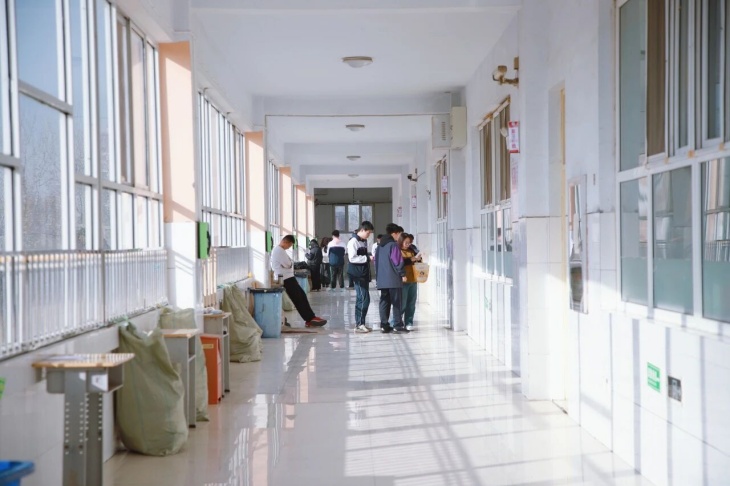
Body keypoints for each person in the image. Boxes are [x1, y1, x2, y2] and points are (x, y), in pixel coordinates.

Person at [271, 235, 328, 328]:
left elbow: (289, 263)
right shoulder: (279, 251)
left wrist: (290, 263)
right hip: (285, 278)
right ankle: (309, 319)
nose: (289, 247)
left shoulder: (280, 250)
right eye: (289, 245)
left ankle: (311, 317)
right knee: (299, 298)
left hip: (288, 277)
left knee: (301, 296)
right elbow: (288, 264)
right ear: (286, 242)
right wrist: (290, 263)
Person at [375, 223, 408, 334]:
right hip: (393, 279)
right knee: (397, 302)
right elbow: (397, 261)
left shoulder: (379, 246)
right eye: (400, 234)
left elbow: (376, 262)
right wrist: (403, 274)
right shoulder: (393, 245)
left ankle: (384, 325)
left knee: (384, 302)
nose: (400, 237)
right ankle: (397, 325)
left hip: (382, 279)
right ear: (395, 233)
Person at [347, 221, 375, 333]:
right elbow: (352, 258)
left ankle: (361, 323)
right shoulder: (353, 242)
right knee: (364, 299)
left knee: (362, 298)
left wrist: (368, 257)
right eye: (368, 233)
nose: (369, 235)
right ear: (362, 230)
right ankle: (359, 325)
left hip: (363, 273)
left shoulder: (362, 241)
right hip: (357, 274)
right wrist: (367, 258)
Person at [396, 233, 421, 331]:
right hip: (403, 280)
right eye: (406, 242)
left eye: (409, 242)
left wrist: (418, 259)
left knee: (411, 303)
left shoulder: (412, 250)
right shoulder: (397, 250)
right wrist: (411, 259)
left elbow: (417, 261)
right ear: (401, 241)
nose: (408, 244)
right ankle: (397, 322)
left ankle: (409, 322)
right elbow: (399, 263)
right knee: (402, 303)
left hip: (413, 279)